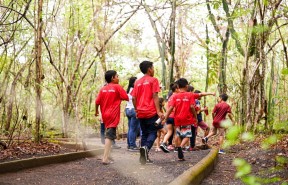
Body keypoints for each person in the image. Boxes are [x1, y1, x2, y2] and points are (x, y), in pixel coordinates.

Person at [131, 60, 164, 165]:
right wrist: (158, 111)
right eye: (153, 68)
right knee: (153, 132)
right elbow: (155, 96)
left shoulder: (137, 82)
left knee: (144, 134)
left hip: (140, 112)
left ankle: (144, 157)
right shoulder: (153, 80)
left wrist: (136, 110)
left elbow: (133, 98)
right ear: (149, 69)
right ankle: (146, 148)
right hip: (151, 111)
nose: (153, 70)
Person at [95, 70, 129, 164]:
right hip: (113, 115)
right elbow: (126, 97)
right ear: (112, 78)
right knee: (109, 136)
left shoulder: (103, 89)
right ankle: (105, 159)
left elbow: (97, 102)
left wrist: (96, 111)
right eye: (117, 76)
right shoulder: (117, 87)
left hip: (105, 115)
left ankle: (108, 155)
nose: (118, 78)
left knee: (109, 134)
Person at [164, 78, 198, 161]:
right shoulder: (189, 95)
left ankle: (178, 147)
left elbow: (170, 108)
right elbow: (192, 107)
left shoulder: (175, 96)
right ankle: (181, 147)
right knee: (187, 135)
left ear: (178, 86)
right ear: (187, 86)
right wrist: (195, 117)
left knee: (177, 134)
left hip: (177, 118)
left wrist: (165, 118)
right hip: (186, 118)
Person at [160, 82, 179, 153]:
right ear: (176, 89)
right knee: (176, 132)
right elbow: (174, 108)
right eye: (178, 88)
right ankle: (177, 148)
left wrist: (165, 118)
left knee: (169, 132)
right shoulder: (176, 96)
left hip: (168, 117)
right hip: (174, 116)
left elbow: (167, 107)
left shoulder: (170, 97)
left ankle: (164, 143)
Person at [125, 77, 140, 151]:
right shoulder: (134, 90)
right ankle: (132, 145)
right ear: (133, 82)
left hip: (128, 109)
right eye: (136, 81)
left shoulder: (128, 90)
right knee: (134, 129)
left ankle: (129, 144)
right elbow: (135, 99)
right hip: (134, 109)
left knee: (131, 128)